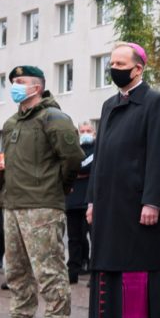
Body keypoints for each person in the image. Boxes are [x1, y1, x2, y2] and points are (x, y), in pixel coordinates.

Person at [85, 44, 160, 318]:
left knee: (134, 274)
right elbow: (100, 158)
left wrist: (152, 201)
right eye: (111, 63)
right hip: (109, 206)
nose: (113, 68)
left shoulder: (156, 102)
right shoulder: (109, 104)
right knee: (106, 269)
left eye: (120, 63)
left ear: (138, 69)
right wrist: (92, 199)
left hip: (138, 205)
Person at [0, 65, 83, 318]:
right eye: (13, 81)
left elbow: (73, 159)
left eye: (21, 81)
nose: (15, 86)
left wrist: (58, 187)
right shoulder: (12, 123)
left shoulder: (53, 118)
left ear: (36, 87)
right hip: (13, 203)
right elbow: (6, 162)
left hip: (42, 205)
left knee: (49, 269)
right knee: (15, 269)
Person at [65, 121, 95, 284]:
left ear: (94, 133)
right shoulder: (73, 149)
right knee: (74, 239)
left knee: (94, 237)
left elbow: (84, 168)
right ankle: (73, 271)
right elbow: (66, 168)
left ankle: (94, 272)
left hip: (91, 200)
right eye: (82, 131)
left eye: (88, 130)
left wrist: (77, 172)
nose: (85, 133)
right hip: (73, 201)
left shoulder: (99, 149)